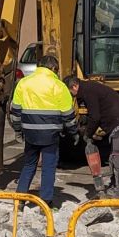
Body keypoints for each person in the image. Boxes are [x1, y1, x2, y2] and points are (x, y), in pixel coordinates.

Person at [9, 54, 75, 206]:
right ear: (53, 68)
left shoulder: (24, 83)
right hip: (50, 135)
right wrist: (73, 132)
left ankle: (19, 200)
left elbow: (16, 111)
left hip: (30, 133)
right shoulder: (58, 86)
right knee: (48, 166)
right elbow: (68, 114)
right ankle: (46, 202)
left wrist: (18, 130)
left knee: (29, 164)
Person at [68, 73, 119, 199]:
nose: (71, 95)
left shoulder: (88, 91)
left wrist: (87, 134)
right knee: (114, 158)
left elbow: (95, 116)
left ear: (74, 86)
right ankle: (116, 187)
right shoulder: (90, 88)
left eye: (70, 92)